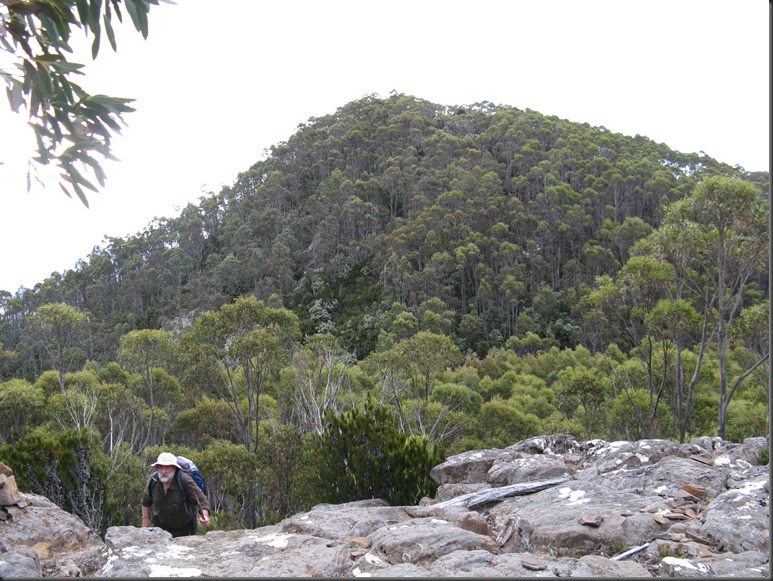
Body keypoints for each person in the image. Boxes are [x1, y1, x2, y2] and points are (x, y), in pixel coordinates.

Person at [141, 452, 211, 537]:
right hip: (161, 529)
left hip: (185, 530)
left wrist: (205, 516)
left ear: (174, 468)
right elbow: (145, 501)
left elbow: (202, 500)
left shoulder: (184, 480)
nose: (163, 471)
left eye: (167, 467)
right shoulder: (154, 481)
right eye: (160, 467)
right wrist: (145, 519)